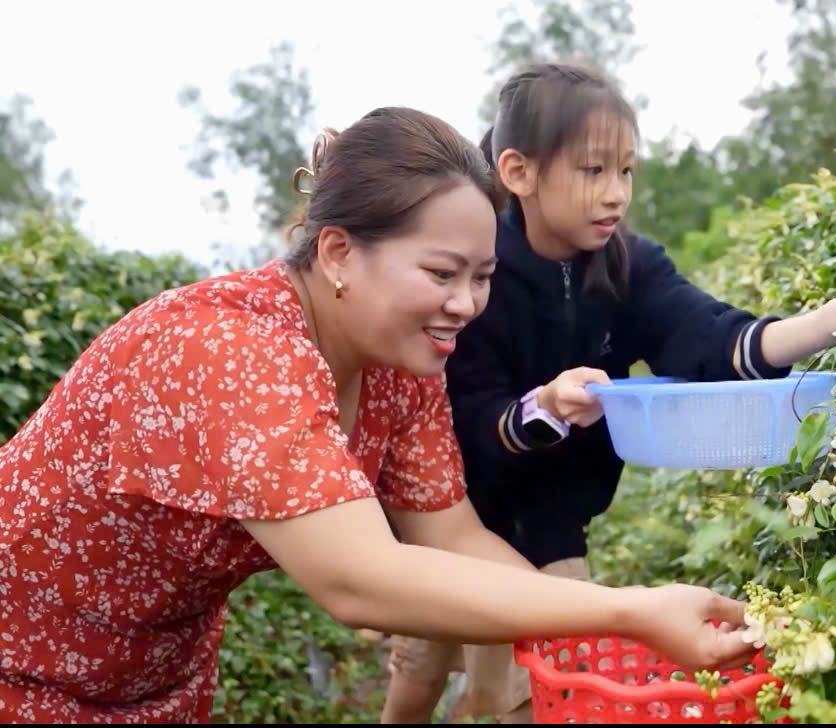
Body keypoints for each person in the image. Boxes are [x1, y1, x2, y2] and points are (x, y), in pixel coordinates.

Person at [0, 106, 756, 724]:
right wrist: (626, 614)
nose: (465, 304)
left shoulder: (398, 366)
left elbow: (452, 535)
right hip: (19, 662)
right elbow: (360, 579)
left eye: (483, 277)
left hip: (155, 672)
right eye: (440, 273)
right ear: (336, 252)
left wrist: (604, 631)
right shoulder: (228, 351)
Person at [378, 64, 836, 724]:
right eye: (592, 172)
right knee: (419, 672)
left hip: (551, 523)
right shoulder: (476, 271)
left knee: (533, 690)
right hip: (447, 514)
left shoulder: (629, 267)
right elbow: (468, 415)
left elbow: (711, 339)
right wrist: (542, 409)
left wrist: (832, 321)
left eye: (626, 171)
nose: (615, 194)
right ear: (519, 172)